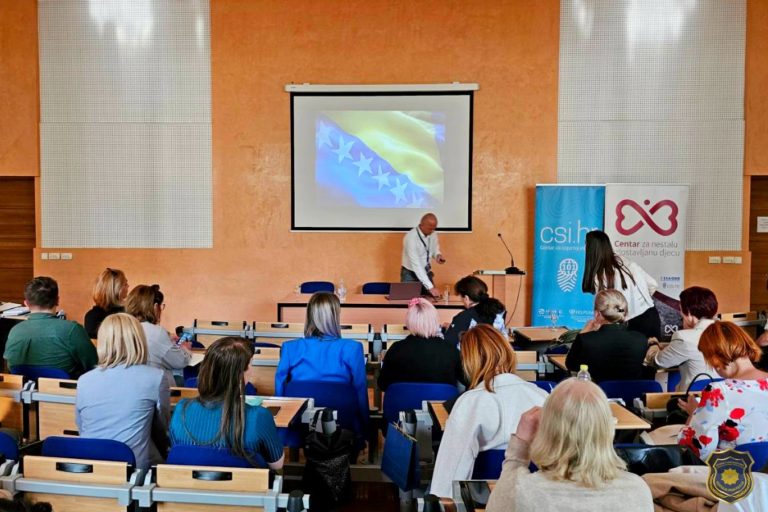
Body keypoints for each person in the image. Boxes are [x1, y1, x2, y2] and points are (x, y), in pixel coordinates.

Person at [485, 378, 653, 512]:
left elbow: (496, 506)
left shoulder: (522, 491)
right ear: (607, 429)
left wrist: (519, 451)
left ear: (546, 430)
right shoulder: (638, 491)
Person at [430, 324, 547, 498]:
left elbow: (452, 467)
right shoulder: (542, 396)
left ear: (468, 361)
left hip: (482, 496)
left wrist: (439, 500)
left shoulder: (470, 402)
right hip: (536, 496)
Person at [170, 337, 284, 469]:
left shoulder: (181, 409)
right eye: (250, 364)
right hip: (245, 482)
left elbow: (179, 452)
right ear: (240, 374)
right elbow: (277, 464)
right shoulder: (259, 416)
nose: (251, 370)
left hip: (185, 482)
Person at [76, 313, 169, 470]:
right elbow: (163, 427)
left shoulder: (84, 380)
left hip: (89, 467)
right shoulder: (156, 377)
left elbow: (82, 427)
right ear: (138, 340)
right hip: (133, 470)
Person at [275, 292, 369, 428]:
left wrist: (280, 424)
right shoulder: (353, 348)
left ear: (309, 315)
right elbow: (360, 388)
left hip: (298, 418)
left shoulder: (290, 347)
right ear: (335, 316)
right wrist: (365, 426)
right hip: (341, 419)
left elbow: (279, 386)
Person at [678, 321, 768, 461]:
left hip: (731, 471)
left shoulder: (719, 391)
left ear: (715, 358)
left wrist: (695, 414)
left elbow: (699, 450)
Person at [4, 276, 97, 378]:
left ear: (26, 304)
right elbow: (94, 366)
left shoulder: (15, 331)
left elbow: (10, 367)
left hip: (23, 387)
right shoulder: (72, 330)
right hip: (64, 388)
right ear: (57, 300)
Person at [582, 230, 660, 339]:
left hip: (628, 325)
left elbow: (604, 307)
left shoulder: (599, 276)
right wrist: (639, 302)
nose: (584, 248)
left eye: (586, 244)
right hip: (651, 315)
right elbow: (653, 284)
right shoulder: (625, 262)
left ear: (592, 249)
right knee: (652, 350)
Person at [377, 298, 464, 391]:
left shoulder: (396, 349)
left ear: (409, 321)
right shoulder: (450, 350)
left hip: (404, 400)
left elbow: (383, 384)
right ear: (435, 321)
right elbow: (466, 380)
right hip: (442, 400)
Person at [565, 289, 648, 383]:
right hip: (632, 392)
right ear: (624, 312)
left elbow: (571, 365)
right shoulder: (641, 339)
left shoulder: (586, 340)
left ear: (597, 314)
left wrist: (583, 333)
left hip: (598, 391)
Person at [646, 286, 717, 391]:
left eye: (681, 309)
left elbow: (658, 362)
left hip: (692, 398)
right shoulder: (728, 333)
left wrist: (653, 344)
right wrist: (666, 345)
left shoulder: (684, 338)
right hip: (722, 396)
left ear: (688, 312)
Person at [125, 284, 191, 391]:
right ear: (155, 307)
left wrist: (167, 341)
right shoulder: (157, 332)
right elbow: (180, 362)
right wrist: (186, 348)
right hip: (155, 391)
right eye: (161, 306)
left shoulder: (121, 328)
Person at [443, 275, 507, 347]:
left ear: (466, 298)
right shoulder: (497, 310)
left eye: (461, 298)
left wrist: (450, 330)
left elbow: (449, 345)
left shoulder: (463, 317)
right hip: (497, 351)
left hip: (472, 353)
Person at [401, 213, 446, 297]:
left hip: (426, 272)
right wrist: (430, 287)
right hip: (410, 274)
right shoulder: (411, 238)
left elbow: (434, 249)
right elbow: (416, 265)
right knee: (409, 301)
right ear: (421, 225)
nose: (432, 231)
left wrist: (437, 255)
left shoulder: (433, 233)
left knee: (432, 299)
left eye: (434, 228)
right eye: (430, 228)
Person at [83, 268, 129, 339]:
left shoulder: (91, 316)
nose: (128, 286)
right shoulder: (127, 313)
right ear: (116, 288)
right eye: (125, 284)